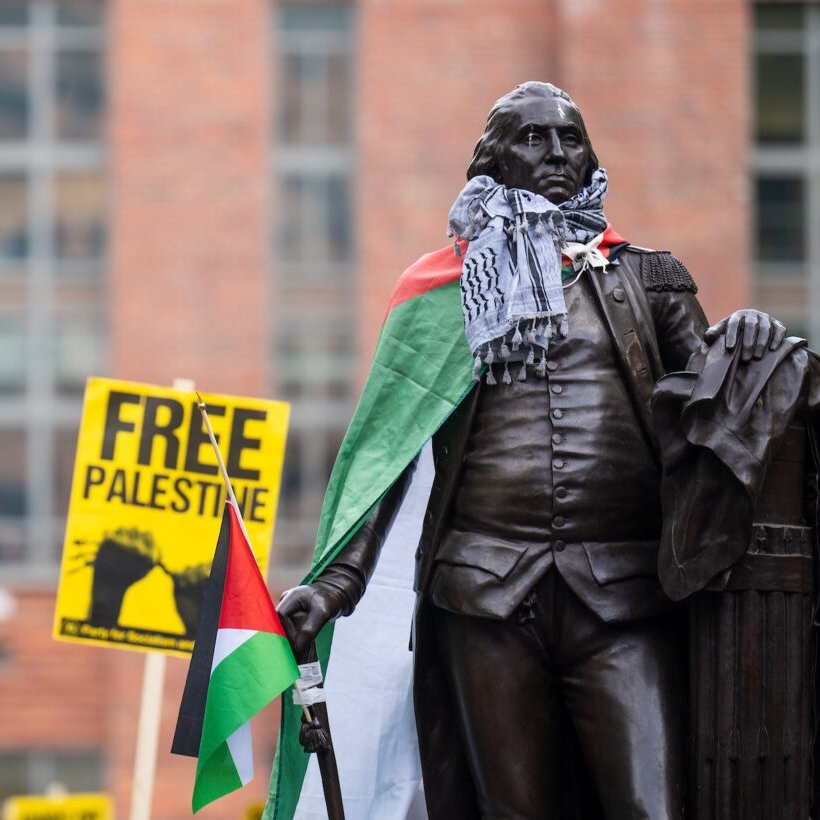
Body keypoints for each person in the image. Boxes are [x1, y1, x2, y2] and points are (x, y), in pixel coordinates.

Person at [274, 82, 785, 820]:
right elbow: (388, 453)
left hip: (622, 593)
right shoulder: (441, 294)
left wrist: (747, 341)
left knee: (654, 807)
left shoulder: (646, 278)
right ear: (494, 159)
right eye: (533, 138)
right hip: (483, 596)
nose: (555, 154)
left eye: (570, 139)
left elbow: (711, 408)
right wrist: (335, 585)